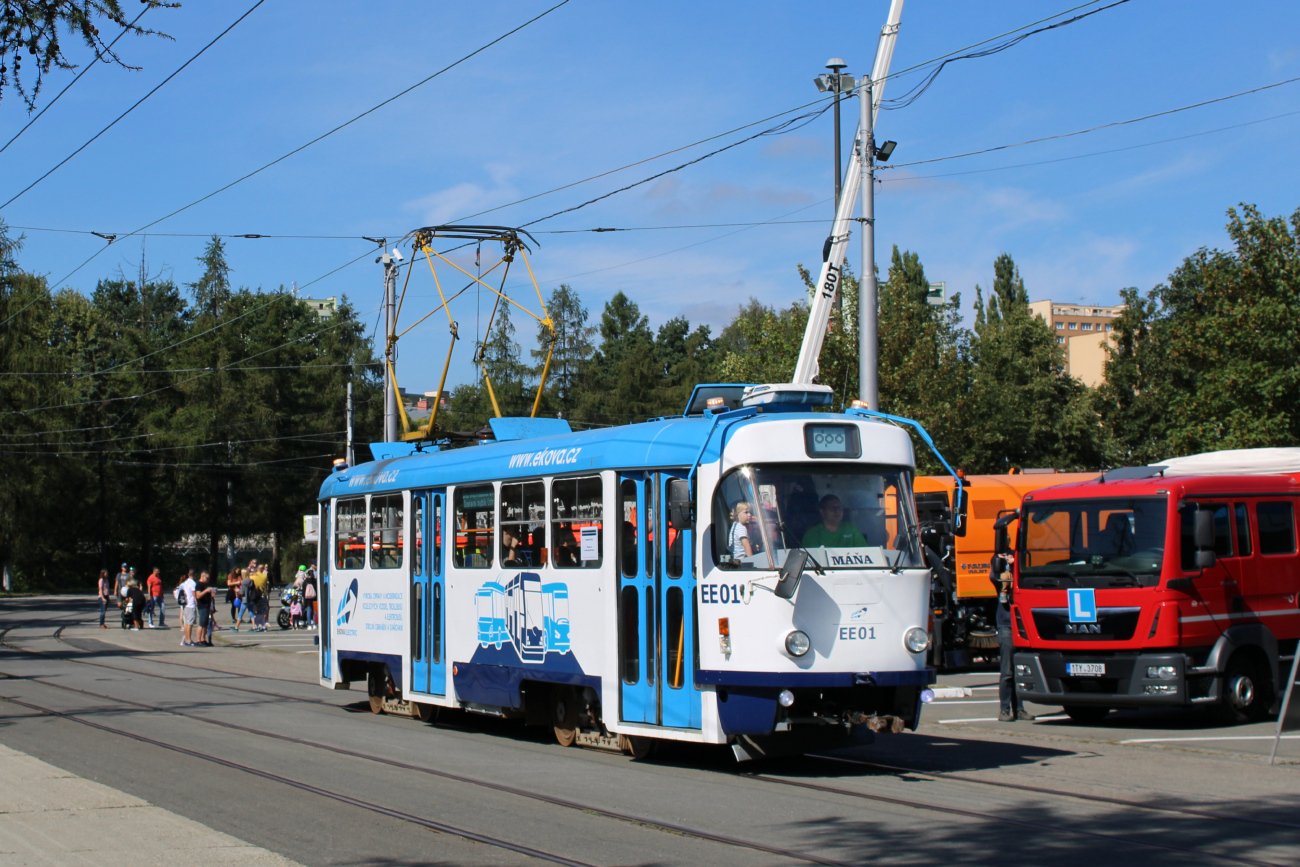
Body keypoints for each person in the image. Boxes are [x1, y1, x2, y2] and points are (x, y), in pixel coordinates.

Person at [991, 553, 1032, 722]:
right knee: (1007, 672)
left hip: (1020, 628)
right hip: (1006, 628)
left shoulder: (1020, 582)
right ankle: (1004, 710)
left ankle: (1020, 709)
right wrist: (1000, 561)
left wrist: (1015, 565)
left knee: (1019, 672)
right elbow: (994, 574)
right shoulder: (1001, 583)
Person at [801, 495, 868, 548]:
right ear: (822, 512)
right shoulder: (812, 534)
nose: (837, 511)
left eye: (839, 507)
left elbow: (865, 553)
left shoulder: (850, 529)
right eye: (832, 508)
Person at [193, 571, 215, 646]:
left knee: (205, 624)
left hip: (207, 606)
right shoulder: (199, 585)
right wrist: (206, 591)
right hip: (202, 606)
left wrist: (211, 593)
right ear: (202, 576)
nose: (208, 580)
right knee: (201, 624)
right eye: (207, 578)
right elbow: (198, 595)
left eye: (209, 579)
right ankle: (198, 640)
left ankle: (203, 639)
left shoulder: (204, 585)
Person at [177, 570, 198, 647]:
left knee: (186, 623)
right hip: (191, 605)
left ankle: (186, 638)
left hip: (185, 605)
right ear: (195, 575)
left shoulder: (185, 583)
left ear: (188, 574)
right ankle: (188, 640)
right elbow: (194, 594)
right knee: (190, 623)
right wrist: (197, 603)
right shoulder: (193, 583)